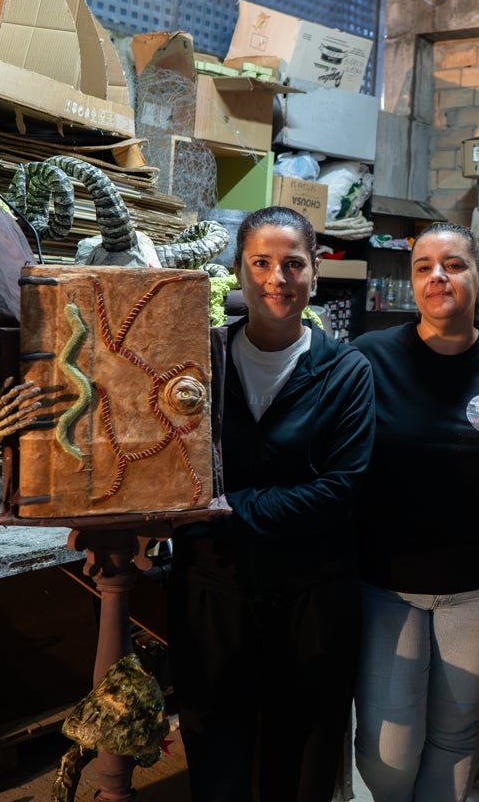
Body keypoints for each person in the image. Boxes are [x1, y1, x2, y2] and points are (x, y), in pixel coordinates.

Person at [167, 206, 375, 802]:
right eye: (260, 262)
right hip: (212, 591)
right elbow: (156, 453)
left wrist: (227, 509)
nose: (276, 278)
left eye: (293, 264)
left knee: (303, 758)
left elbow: (341, 489)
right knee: (216, 756)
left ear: (315, 275)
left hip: (312, 596)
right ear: (236, 271)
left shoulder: (344, 370)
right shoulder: (197, 363)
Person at [351, 222, 479, 802]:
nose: (438, 277)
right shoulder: (369, 359)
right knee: (389, 748)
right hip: (387, 584)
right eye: (424, 266)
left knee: (454, 738)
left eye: (453, 265)